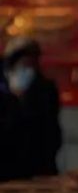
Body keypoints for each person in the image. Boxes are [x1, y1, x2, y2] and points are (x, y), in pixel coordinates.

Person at [0, 37, 62, 181]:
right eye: (23, 64)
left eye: (32, 64)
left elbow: (51, 135)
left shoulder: (45, 90)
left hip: (38, 171)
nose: (28, 70)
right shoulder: (3, 91)